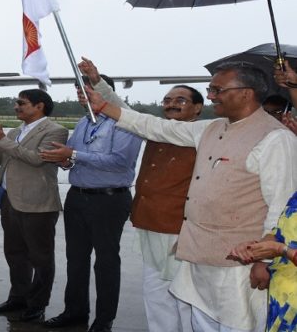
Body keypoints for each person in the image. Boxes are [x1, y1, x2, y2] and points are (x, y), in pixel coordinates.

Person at [85, 62, 297, 332]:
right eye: (210, 89)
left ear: (246, 93)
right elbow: (154, 126)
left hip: (239, 262)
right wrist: (104, 106)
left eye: (218, 90)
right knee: (200, 322)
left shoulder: (275, 139)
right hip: (198, 254)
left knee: (237, 324)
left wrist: (264, 261)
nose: (211, 96)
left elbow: (280, 207)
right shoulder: (209, 128)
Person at [78, 57, 203, 331]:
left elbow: (130, 117)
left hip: (178, 227)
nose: (171, 103)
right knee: (155, 288)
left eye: (180, 100)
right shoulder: (159, 129)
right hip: (149, 222)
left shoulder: (199, 133)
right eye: (167, 99)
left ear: (198, 108)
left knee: (183, 292)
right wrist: (97, 81)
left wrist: (102, 94)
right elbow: (128, 114)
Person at [40, 74, 142, 332]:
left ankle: (104, 319)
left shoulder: (125, 123)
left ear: (105, 92)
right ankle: (74, 311)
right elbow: (75, 156)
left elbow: (120, 161)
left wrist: (73, 154)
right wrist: (65, 160)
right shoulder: (84, 122)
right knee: (75, 258)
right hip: (78, 196)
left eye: (86, 89)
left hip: (109, 199)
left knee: (106, 261)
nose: (80, 95)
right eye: (77, 90)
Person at [0, 89, 68, 323]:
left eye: (21, 103)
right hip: (10, 200)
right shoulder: (16, 131)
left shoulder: (56, 131)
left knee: (41, 257)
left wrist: (1, 140)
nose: (16, 106)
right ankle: (18, 297)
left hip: (38, 203)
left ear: (40, 106)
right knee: (15, 254)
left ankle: (37, 303)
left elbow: (37, 159)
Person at [229, 190, 297, 331]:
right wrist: (255, 248)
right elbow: (281, 234)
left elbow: (282, 247)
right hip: (282, 306)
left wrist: (280, 249)